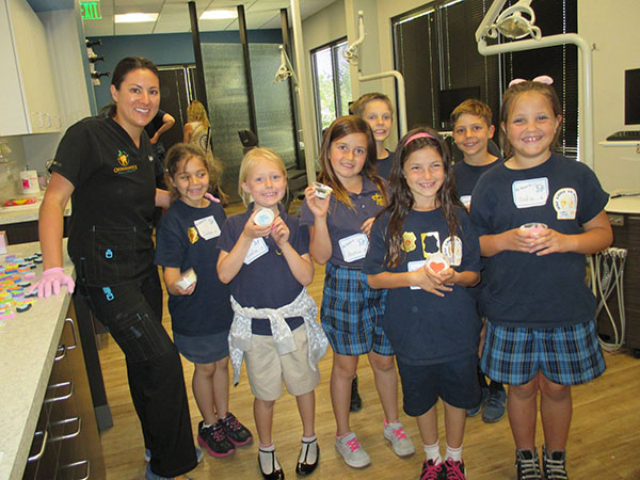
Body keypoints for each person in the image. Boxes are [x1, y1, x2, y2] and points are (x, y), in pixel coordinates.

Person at [32, 57, 200, 480]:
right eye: (135, 90)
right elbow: (53, 200)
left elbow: (146, 195)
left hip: (141, 266)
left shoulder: (142, 144)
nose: (145, 99)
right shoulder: (88, 135)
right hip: (105, 274)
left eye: (152, 91)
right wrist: (52, 267)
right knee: (162, 360)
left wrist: (190, 199)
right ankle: (169, 467)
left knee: (144, 362)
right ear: (114, 92)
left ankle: (156, 445)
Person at [470, 77, 612, 480]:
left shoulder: (577, 175)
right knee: (521, 388)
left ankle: (556, 456)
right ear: (504, 128)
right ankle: (526, 456)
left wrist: (567, 242)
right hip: (510, 309)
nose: (530, 128)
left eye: (541, 118)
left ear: (558, 122)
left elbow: (603, 234)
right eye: (519, 120)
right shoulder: (490, 182)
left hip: (564, 308)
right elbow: (474, 245)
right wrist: (506, 240)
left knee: (556, 388)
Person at [364, 126, 482, 480]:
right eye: (416, 167)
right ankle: (432, 457)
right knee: (421, 398)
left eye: (435, 166)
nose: (426, 175)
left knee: (457, 397)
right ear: (402, 172)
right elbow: (374, 277)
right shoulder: (388, 222)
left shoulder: (459, 217)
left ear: (446, 170)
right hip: (411, 332)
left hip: (457, 329)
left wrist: (455, 277)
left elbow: (474, 274)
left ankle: (455, 458)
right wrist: (412, 277)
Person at [300, 115, 415, 469]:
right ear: (328, 150)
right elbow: (320, 257)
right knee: (346, 366)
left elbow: (402, 232)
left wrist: (384, 225)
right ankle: (343, 433)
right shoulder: (318, 194)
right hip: (346, 285)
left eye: (359, 150)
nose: (350, 157)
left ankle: (392, 423)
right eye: (342, 147)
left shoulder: (381, 186)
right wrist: (320, 216)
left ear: (369, 154)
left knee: (384, 360)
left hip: (384, 279)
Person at [216, 147, 327, 480]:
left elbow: (306, 277)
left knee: (303, 387)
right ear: (246, 186)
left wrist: (285, 244)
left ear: (285, 182)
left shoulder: (294, 224)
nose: (269, 184)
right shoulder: (234, 225)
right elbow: (224, 274)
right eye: (260, 179)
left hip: (293, 324)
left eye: (275, 177)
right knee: (264, 395)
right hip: (257, 331)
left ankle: (310, 438)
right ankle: (266, 448)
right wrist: (248, 237)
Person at [154, 143, 253, 459]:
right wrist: (177, 286)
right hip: (194, 312)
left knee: (222, 363)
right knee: (205, 367)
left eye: (200, 174)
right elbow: (170, 275)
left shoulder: (215, 209)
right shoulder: (172, 221)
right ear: (172, 180)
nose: (194, 182)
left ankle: (223, 416)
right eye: (185, 177)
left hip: (222, 305)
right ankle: (208, 424)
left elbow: (227, 252)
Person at [450, 99, 508, 424]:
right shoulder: (449, 175)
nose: (468, 136)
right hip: (464, 267)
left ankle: (497, 386)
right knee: (469, 328)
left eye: (475, 128)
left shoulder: (506, 172)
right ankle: (476, 385)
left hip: (499, 266)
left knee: (495, 328)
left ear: (491, 131)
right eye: (461, 130)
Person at [183, 100, 227, 204]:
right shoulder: (206, 127)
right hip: (208, 157)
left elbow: (185, 145)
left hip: (196, 158)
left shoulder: (189, 126)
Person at [351, 93, 395, 180]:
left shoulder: (399, 162)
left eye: (386, 117)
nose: (380, 122)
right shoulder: (352, 163)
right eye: (372, 117)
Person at [145, 109, 176, 188]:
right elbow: (170, 120)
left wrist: (157, 135)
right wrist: (157, 135)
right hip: (156, 147)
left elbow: (170, 120)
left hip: (150, 147)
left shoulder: (146, 111)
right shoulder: (153, 111)